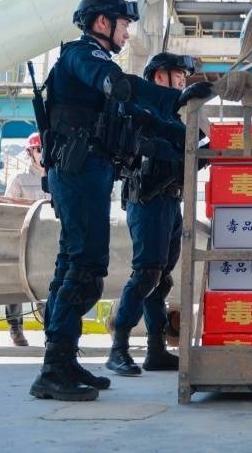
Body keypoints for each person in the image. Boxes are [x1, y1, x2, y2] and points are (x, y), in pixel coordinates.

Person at [30, 0, 212, 402]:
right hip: (79, 170)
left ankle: (62, 359)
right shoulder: (83, 57)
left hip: (88, 171)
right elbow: (121, 87)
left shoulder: (94, 66)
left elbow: (139, 118)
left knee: (74, 262)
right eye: (124, 25)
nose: (128, 33)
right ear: (102, 23)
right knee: (85, 266)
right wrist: (173, 97)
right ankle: (54, 367)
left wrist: (194, 140)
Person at [106, 52, 195, 376]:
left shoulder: (174, 116)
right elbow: (151, 149)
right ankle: (118, 348)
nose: (182, 82)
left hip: (170, 201)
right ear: (159, 77)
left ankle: (156, 349)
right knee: (147, 274)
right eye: (177, 75)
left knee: (161, 279)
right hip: (148, 200)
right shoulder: (142, 111)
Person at [3, 132, 51, 346]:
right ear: (30, 153)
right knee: (16, 285)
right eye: (38, 149)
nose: (42, 153)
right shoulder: (20, 179)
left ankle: (52, 329)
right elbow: (7, 209)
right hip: (23, 241)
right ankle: (16, 329)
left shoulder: (56, 178)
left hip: (48, 242)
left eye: (44, 149)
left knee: (50, 287)